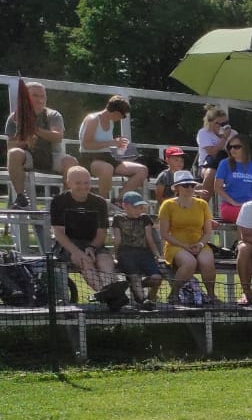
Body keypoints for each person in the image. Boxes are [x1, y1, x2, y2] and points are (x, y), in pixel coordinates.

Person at [50, 165, 128, 308]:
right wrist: (76, 252)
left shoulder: (99, 202)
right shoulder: (59, 201)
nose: (83, 186)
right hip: (68, 245)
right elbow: (59, 233)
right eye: (78, 183)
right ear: (68, 183)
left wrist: (92, 247)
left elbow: (101, 233)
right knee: (85, 261)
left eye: (86, 182)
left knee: (105, 259)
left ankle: (108, 292)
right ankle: (110, 296)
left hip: (93, 243)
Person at [6, 81, 76, 209]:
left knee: (71, 161)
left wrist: (35, 130)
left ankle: (66, 201)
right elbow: (11, 145)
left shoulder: (53, 115)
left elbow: (58, 137)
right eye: (35, 95)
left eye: (42, 96)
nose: (40, 99)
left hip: (51, 155)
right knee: (14, 153)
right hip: (27, 156)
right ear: (26, 97)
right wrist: (25, 142)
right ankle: (21, 197)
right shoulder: (15, 117)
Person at [158, 170, 218, 305]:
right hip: (176, 244)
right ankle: (174, 294)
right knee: (190, 263)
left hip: (199, 243)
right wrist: (184, 246)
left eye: (192, 185)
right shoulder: (167, 205)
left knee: (207, 262)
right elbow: (164, 234)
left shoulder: (202, 204)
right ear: (177, 188)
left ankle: (211, 295)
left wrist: (200, 245)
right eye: (185, 185)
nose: (190, 188)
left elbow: (207, 232)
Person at [77, 95, 148, 200]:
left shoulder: (110, 122)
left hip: (107, 157)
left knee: (142, 170)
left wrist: (118, 144)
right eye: (123, 115)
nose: (122, 118)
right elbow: (86, 144)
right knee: (107, 169)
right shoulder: (93, 119)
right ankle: (103, 202)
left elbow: (107, 144)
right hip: (90, 158)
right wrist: (111, 143)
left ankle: (118, 200)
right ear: (117, 112)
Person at [111, 190, 163, 308]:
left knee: (157, 278)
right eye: (135, 207)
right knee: (134, 277)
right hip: (126, 254)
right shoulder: (118, 218)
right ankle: (143, 301)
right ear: (124, 206)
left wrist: (157, 255)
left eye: (141, 207)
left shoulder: (145, 218)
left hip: (144, 253)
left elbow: (149, 239)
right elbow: (117, 239)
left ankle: (137, 289)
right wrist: (114, 256)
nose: (139, 210)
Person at [210, 137, 252, 225]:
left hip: (250, 206)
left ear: (245, 147)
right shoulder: (224, 163)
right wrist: (234, 203)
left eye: (236, 147)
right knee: (245, 216)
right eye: (230, 147)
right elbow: (217, 187)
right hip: (230, 206)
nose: (232, 149)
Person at [194, 106, 233, 177]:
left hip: (228, 164)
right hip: (207, 165)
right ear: (211, 123)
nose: (224, 126)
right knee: (211, 173)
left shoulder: (232, 133)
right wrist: (225, 137)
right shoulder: (203, 133)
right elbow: (211, 152)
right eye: (222, 124)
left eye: (226, 123)